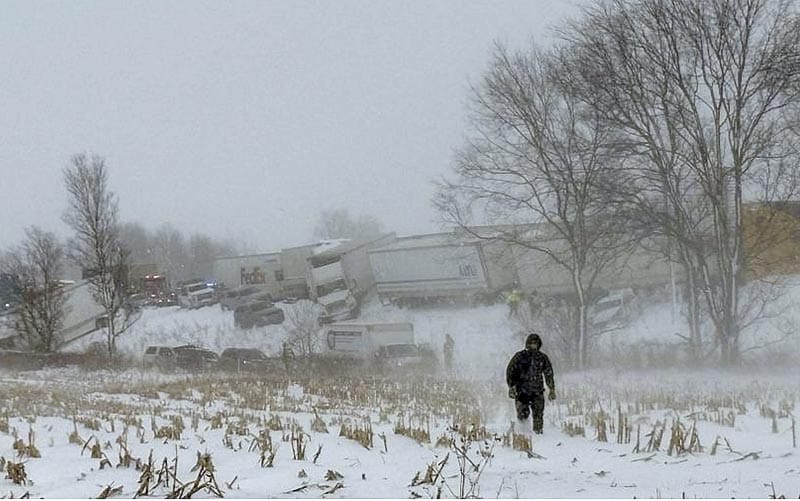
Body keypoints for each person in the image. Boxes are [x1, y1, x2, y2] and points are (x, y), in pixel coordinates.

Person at [506, 333, 556, 435]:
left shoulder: (542, 358)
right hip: (522, 392)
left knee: (538, 414)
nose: (533, 345)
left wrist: (552, 389)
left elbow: (548, 373)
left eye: (535, 343)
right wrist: (511, 387)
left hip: (537, 391)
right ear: (527, 344)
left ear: (539, 345)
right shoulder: (520, 357)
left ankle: (538, 434)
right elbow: (510, 372)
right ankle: (523, 434)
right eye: (531, 343)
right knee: (523, 414)